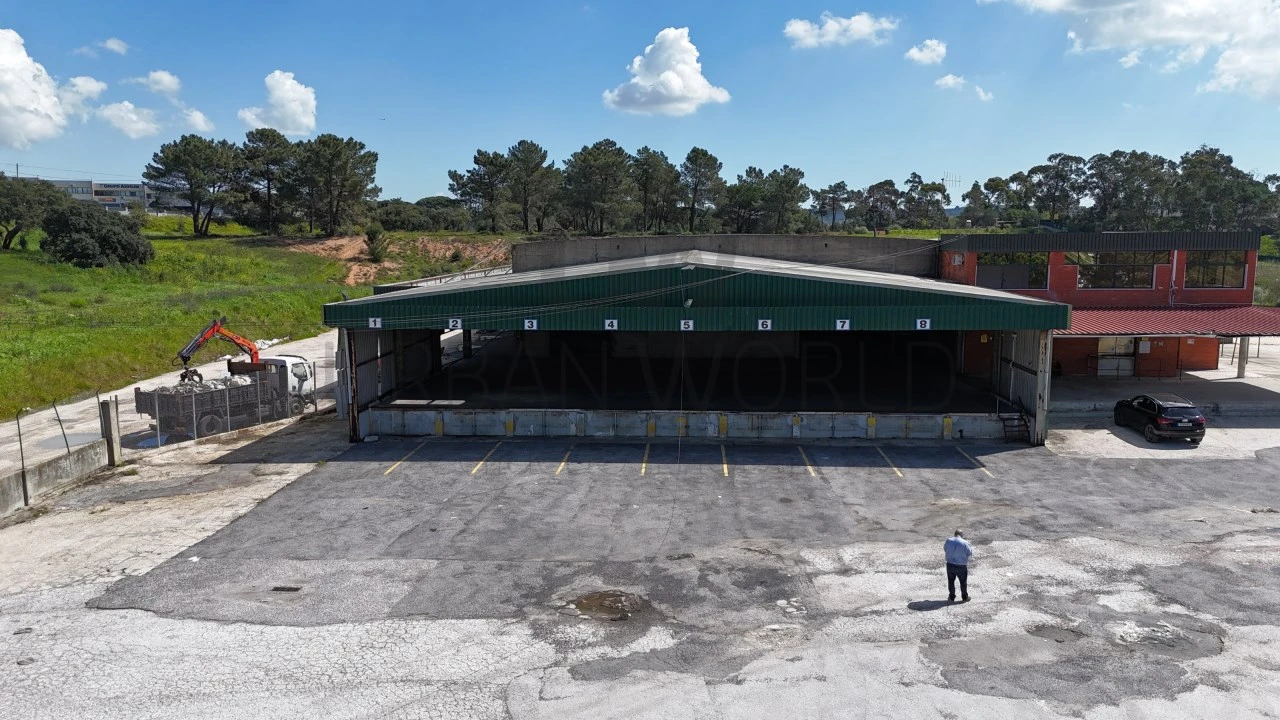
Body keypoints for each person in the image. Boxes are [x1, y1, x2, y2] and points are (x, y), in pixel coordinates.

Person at [944, 530, 973, 602]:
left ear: (955, 534)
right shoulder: (965, 543)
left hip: (950, 564)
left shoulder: (948, 541)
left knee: (951, 581)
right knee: (963, 582)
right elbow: (969, 553)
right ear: (961, 534)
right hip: (961, 565)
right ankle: (964, 597)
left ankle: (952, 596)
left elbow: (945, 549)